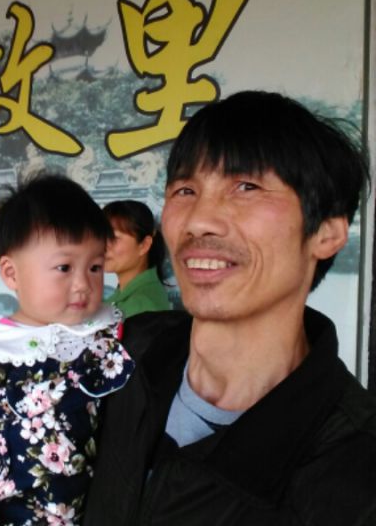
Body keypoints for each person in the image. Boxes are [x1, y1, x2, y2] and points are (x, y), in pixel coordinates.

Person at [83, 91, 376, 525]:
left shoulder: (355, 471)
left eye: (246, 187)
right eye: (185, 190)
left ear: (327, 234)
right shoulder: (124, 355)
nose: (198, 220)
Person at [0, 174, 134, 526]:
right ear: (12, 273)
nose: (83, 284)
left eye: (95, 267)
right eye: (64, 267)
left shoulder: (106, 337)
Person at [102, 200, 170, 317]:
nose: (104, 245)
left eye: (114, 238)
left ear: (144, 245)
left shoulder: (142, 305)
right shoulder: (121, 297)